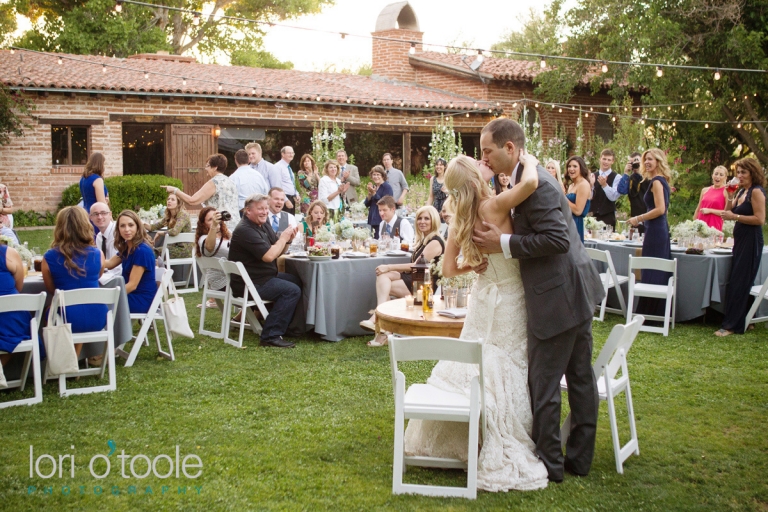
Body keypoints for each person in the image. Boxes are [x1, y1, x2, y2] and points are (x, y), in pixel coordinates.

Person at [404, 151, 551, 491]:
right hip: (510, 297)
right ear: (474, 178)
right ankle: (496, 438)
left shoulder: (461, 215)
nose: (487, 164)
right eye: (480, 164)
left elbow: (450, 268)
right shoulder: (495, 206)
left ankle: (466, 437)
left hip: (484, 297)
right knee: (507, 363)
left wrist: (476, 267)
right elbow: (530, 181)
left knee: (476, 361)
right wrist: (527, 158)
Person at [472, 118, 604, 484]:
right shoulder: (530, 175)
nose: (484, 157)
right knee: (580, 379)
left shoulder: (538, 185)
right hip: (574, 291)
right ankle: (578, 460)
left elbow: (557, 240)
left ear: (509, 149)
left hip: (558, 299)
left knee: (544, 384)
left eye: (488, 150)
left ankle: (550, 465)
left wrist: (502, 244)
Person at [361, 205, 445, 347]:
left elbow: (415, 266)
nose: (422, 222)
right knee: (383, 277)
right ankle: (382, 326)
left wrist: (389, 266)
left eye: (426, 218)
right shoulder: (423, 240)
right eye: (419, 218)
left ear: (434, 221)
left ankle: (378, 319)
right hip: (414, 279)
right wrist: (388, 271)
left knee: (385, 280)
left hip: (424, 286)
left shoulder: (435, 241)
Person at [228, 194, 302, 348]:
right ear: (247, 211)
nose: (264, 212)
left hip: (260, 277)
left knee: (297, 280)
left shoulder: (263, 223)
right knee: (291, 290)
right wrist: (283, 238)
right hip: (249, 284)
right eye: (260, 209)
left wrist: (287, 240)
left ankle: (288, 326)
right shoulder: (245, 230)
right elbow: (269, 256)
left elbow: (277, 250)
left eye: (266, 208)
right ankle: (270, 335)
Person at [42, 207, 108, 357]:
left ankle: (60, 360)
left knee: (50, 310)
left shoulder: (49, 257)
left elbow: (52, 289)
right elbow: (98, 276)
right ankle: (74, 359)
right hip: (98, 317)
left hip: (66, 318)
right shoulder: (98, 254)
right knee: (77, 305)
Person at [715, 158, 766, 337]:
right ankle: (746, 319)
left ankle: (732, 325)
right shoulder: (742, 191)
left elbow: (760, 219)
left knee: (741, 280)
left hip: (751, 239)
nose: (739, 176)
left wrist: (735, 217)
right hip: (740, 238)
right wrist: (729, 194)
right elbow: (729, 212)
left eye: (743, 172)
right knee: (740, 277)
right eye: (738, 172)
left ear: (753, 173)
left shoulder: (756, 192)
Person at [627, 148, 673, 317]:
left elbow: (661, 209)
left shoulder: (657, 182)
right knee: (653, 267)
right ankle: (652, 311)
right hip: (656, 228)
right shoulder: (659, 181)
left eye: (650, 159)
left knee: (653, 267)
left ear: (658, 161)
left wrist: (638, 218)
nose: (646, 162)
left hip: (656, 229)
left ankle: (650, 312)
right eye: (645, 159)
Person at [162, 154, 239, 233]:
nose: (206, 169)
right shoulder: (231, 181)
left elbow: (192, 201)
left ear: (215, 167)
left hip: (220, 227)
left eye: (207, 166)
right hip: (235, 225)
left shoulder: (214, 182)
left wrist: (175, 190)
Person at [104, 210, 158, 314]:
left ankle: (110, 330)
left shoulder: (142, 250)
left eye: (131, 225)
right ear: (118, 229)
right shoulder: (127, 247)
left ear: (137, 227)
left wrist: (109, 296)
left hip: (141, 299)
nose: (126, 229)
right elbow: (110, 264)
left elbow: (132, 285)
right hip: (130, 295)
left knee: (101, 304)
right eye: (122, 226)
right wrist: (88, 260)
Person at [0, 242, 32, 366]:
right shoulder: (9, 254)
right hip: (12, 323)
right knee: (15, 329)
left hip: (9, 320)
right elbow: (19, 287)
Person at [195, 206, 231, 302]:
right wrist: (214, 226)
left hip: (233, 277)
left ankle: (244, 315)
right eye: (210, 219)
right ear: (203, 224)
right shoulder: (203, 238)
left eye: (216, 217)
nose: (215, 221)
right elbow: (209, 248)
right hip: (222, 282)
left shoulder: (227, 234)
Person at [144, 192, 192, 259]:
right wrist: (140, 223)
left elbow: (175, 231)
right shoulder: (169, 216)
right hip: (171, 248)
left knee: (151, 252)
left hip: (183, 250)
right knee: (149, 251)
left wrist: (160, 233)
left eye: (172, 200)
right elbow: (153, 227)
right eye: (168, 199)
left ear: (178, 203)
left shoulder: (183, 215)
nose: (169, 201)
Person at [229, 149, 269, 216]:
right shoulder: (259, 175)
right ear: (248, 160)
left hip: (242, 212)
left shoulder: (233, 178)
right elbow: (266, 192)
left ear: (236, 161)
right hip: (259, 211)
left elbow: (231, 198)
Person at [588, 148, 620, 229]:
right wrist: (591, 185)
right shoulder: (592, 176)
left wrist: (605, 185)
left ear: (613, 161)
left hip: (608, 216)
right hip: (592, 216)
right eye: (604, 159)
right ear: (600, 159)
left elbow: (613, 197)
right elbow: (588, 197)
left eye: (609, 160)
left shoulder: (617, 177)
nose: (606, 162)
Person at [617, 152, 648, 234]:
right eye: (632, 163)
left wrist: (641, 171)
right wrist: (626, 173)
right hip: (635, 217)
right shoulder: (631, 178)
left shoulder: (649, 177)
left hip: (648, 216)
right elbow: (621, 190)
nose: (635, 165)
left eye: (636, 162)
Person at [90, 202, 121, 282]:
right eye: (96, 214)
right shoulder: (99, 237)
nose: (100, 217)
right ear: (91, 217)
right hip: (105, 276)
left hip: (118, 279)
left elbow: (118, 268)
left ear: (110, 215)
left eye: (103, 213)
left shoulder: (118, 234)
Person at [564, 156, 592, 243]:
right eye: (569, 166)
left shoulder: (583, 184)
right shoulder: (572, 185)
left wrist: (562, 197)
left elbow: (578, 210)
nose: (571, 169)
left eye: (575, 166)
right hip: (567, 222)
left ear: (581, 168)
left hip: (575, 224)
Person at [693, 165, 729, 231]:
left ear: (725, 178)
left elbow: (726, 212)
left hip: (714, 228)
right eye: (716, 174)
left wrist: (710, 210)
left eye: (721, 175)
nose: (718, 176)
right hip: (700, 226)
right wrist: (693, 226)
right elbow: (698, 209)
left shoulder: (726, 191)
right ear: (712, 175)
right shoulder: (704, 190)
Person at [364, 166, 393, 238]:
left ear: (382, 176)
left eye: (378, 174)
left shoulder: (387, 187)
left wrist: (374, 193)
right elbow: (366, 204)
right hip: (373, 219)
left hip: (382, 219)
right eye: (374, 174)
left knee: (380, 242)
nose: (376, 177)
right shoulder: (374, 187)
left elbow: (385, 203)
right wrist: (370, 194)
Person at [274, 146, 300, 214]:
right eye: (289, 153)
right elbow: (277, 186)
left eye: (292, 153)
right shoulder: (278, 167)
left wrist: (296, 194)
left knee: (291, 222)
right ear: (283, 154)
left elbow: (291, 183)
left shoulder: (288, 168)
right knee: (284, 222)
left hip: (291, 198)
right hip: (283, 199)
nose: (291, 155)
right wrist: (285, 200)